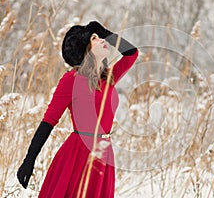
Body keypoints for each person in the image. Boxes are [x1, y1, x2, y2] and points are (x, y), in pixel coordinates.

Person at [17, 21, 138, 197]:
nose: (101, 39)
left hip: (104, 153)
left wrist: (105, 32)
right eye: (95, 38)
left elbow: (132, 53)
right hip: (79, 154)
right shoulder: (71, 80)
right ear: (85, 49)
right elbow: (48, 121)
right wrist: (29, 159)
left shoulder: (108, 78)